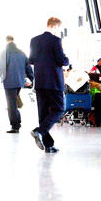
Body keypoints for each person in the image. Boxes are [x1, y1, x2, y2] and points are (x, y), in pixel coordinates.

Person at [29, 17, 69, 153]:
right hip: (54, 82)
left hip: (40, 82)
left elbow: (31, 60)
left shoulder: (34, 40)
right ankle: (39, 131)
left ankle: (48, 145)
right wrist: (67, 59)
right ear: (56, 27)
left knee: (43, 114)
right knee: (59, 109)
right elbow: (61, 60)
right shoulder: (56, 40)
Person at [0, 35, 34, 133]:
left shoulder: (5, 52)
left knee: (11, 104)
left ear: (6, 41)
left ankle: (15, 126)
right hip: (20, 82)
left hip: (9, 81)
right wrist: (31, 78)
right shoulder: (22, 53)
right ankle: (17, 121)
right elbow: (28, 67)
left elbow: (0, 67)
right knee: (13, 102)